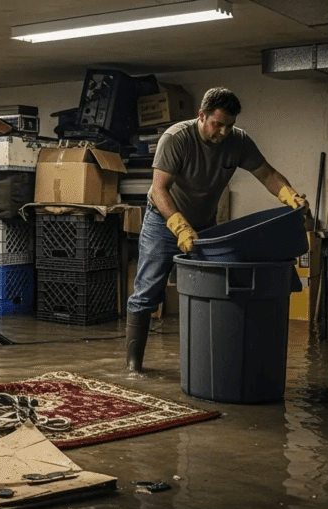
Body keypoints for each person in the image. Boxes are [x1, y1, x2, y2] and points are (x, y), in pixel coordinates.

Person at [126, 86, 308, 371]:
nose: (224, 132)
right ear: (202, 115)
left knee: (208, 290)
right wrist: (179, 227)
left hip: (204, 226)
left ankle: (205, 361)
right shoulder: (176, 138)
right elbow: (159, 189)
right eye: (218, 124)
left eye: (229, 125)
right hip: (164, 222)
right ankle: (133, 365)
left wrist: (289, 195)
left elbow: (267, 174)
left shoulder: (238, 141)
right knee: (148, 291)